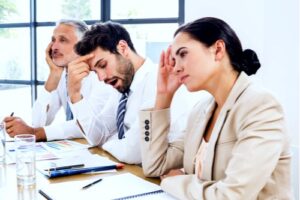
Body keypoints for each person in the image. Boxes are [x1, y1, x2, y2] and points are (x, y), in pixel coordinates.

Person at [139, 17, 292, 199]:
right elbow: (154, 166)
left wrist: (174, 181)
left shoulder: (261, 106)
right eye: (173, 59)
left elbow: (232, 196)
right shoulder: (200, 111)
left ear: (218, 50)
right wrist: (163, 96)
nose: (176, 68)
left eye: (183, 54)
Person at [67, 21, 191, 164]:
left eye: (102, 65)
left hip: (160, 176)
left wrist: (107, 144)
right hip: (134, 173)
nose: (101, 78)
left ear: (123, 48)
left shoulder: (158, 82)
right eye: (95, 72)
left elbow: (134, 153)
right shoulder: (122, 85)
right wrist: (75, 95)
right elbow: (97, 136)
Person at [3, 19, 113, 141]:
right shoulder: (62, 74)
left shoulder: (101, 76)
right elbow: (39, 123)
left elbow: (89, 126)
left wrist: (35, 133)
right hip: (80, 148)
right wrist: (53, 75)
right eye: (53, 40)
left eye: (63, 40)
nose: (54, 47)